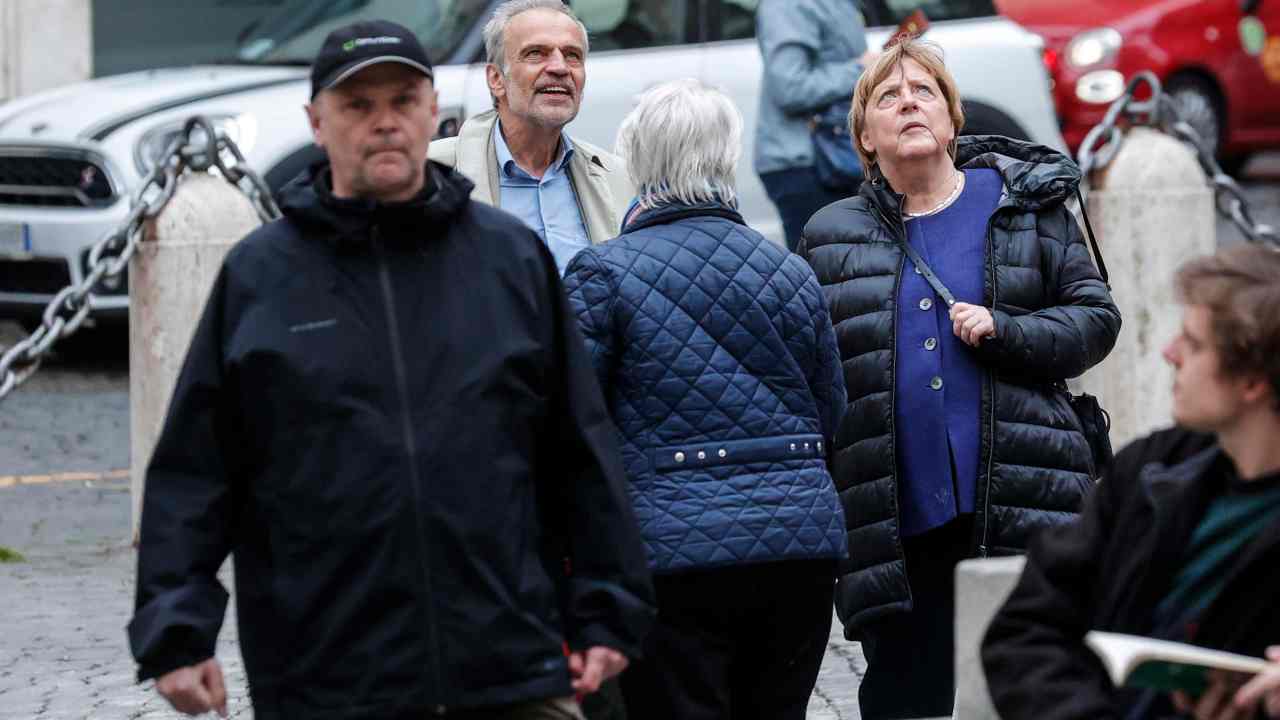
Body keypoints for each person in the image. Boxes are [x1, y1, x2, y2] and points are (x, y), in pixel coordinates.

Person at [128, 20, 654, 720]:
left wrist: (607, 603)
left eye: (402, 100)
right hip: (327, 671)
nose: (384, 122)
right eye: (358, 105)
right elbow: (195, 471)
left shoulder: (506, 260)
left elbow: (578, 446)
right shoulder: (263, 277)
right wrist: (175, 629)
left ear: (432, 111)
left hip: (507, 662)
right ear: (317, 122)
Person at [798, 37, 1121, 719]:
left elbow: (1096, 320)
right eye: (889, 96)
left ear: (952, 117)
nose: (909, 102)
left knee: (1030, 686)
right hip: (895, 517)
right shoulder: (830, 236)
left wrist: (1009, 330)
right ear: (865, 134)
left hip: (1021, 495)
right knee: (904, 696)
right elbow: (812, 376)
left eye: (925, 92)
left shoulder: (1023, 206)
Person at [563, 78, 849, 720]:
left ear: (637, 161)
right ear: (726, 157)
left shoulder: (603, 272)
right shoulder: (788, 269)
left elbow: (578, 424)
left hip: (669, 552)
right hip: (797, 541)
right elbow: (833, 409)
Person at [983, 244, 1280, 720]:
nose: (1169, 354)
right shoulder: (1152, 467)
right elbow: (1025, 629)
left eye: (1195, 344)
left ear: (1252, 382)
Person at [430, 0, 632, 274]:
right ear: (496, 79)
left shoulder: (617, 177)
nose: (560, 68)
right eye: (536, 53)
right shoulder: (433, 174)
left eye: (572, 55)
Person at [754, 0, 878, 251]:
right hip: (808, 165)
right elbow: (790, 88)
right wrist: (860, 69)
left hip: (838, 158)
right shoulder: (788, 6)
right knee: (822, 278)